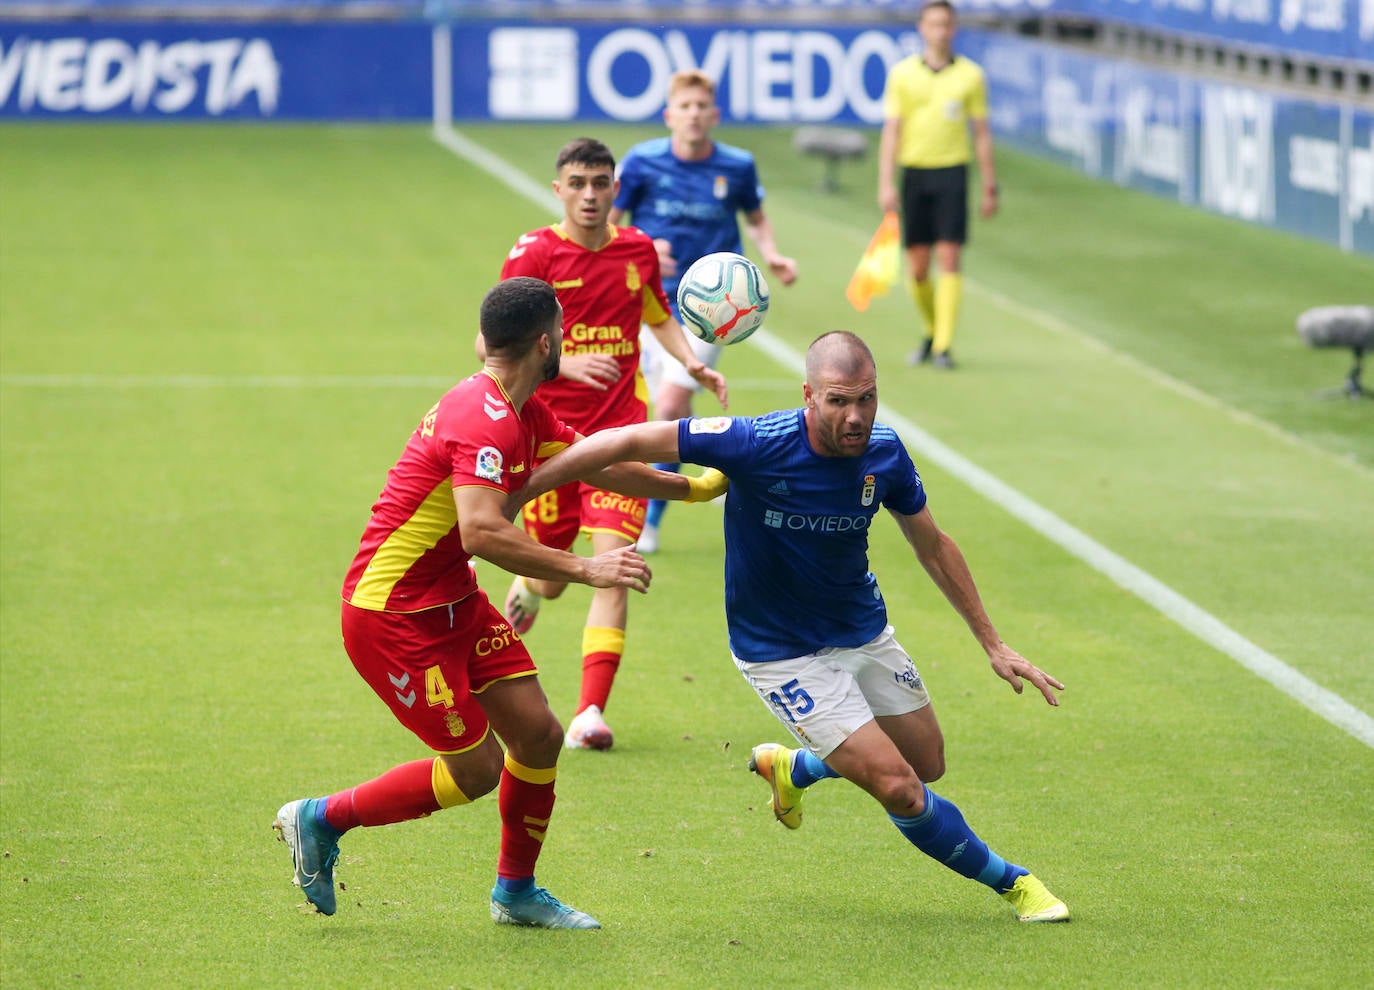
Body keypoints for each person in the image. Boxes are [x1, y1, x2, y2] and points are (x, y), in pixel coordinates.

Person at [509, 331, 1071, 923]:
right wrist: (525, 488)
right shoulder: (755, 442)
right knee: (902, 787)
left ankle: (794, 766)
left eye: (867, 399)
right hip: (779, 653)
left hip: (863, 632)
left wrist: (992, 641)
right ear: (808, 395)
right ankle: (1016, 884)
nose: (855, 417)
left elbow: (931, 544)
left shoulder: (885, 453)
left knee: (927, 762)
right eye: (837, 401)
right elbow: (624, 439)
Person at [272, 277, 724, 929]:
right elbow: (481, 531)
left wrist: (691, 488)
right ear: (546, 342)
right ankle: (319, 819)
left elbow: (592, 462)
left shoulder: (524, 410)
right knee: (477, 769)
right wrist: (585, 567)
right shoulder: (480, 420)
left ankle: (515, 893)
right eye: (562, 330)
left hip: (453, 601)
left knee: (539, 734)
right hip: (393, 618)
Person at [494, 137, 729, 752]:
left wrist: (690, 366)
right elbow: (487, 349)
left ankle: (590, 711)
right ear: (559, 190)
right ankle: (523, 600)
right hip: (547, 446)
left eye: (601, 183)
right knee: (548, 579)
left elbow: (657, 315)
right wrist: (562, 366)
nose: (591, 195)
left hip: (620, 436)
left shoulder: (638, 251)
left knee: (614, 572)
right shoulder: (534, 254)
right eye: (578, 183)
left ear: (615, 189)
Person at [609, 69, 798, 554]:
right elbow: (610, 227)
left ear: (713, 115)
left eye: (702, 108)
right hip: (650, 303)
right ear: (670, 115)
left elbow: (755, 218)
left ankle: (649, 518)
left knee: (669, 405)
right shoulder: (643, 162)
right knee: (679, 404)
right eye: (685, 107)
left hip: (711, 315)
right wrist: (643, 247)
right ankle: (731, 466)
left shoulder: (737, 166)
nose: (694, 115)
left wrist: (771, 254)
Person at [878, 0, 999, 369]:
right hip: (914, 172)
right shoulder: (902, 75)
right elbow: (892, 130)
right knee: (917, 266)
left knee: (949, 255)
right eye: (933, 24)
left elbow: (980, 133)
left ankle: (944, 346)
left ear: (954, 28)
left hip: (952, 172)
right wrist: (886, 181)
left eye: (946, 24)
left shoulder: (970, 76)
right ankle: (932, 330)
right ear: (922, 28)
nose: (940, 31)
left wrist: (989, 183)